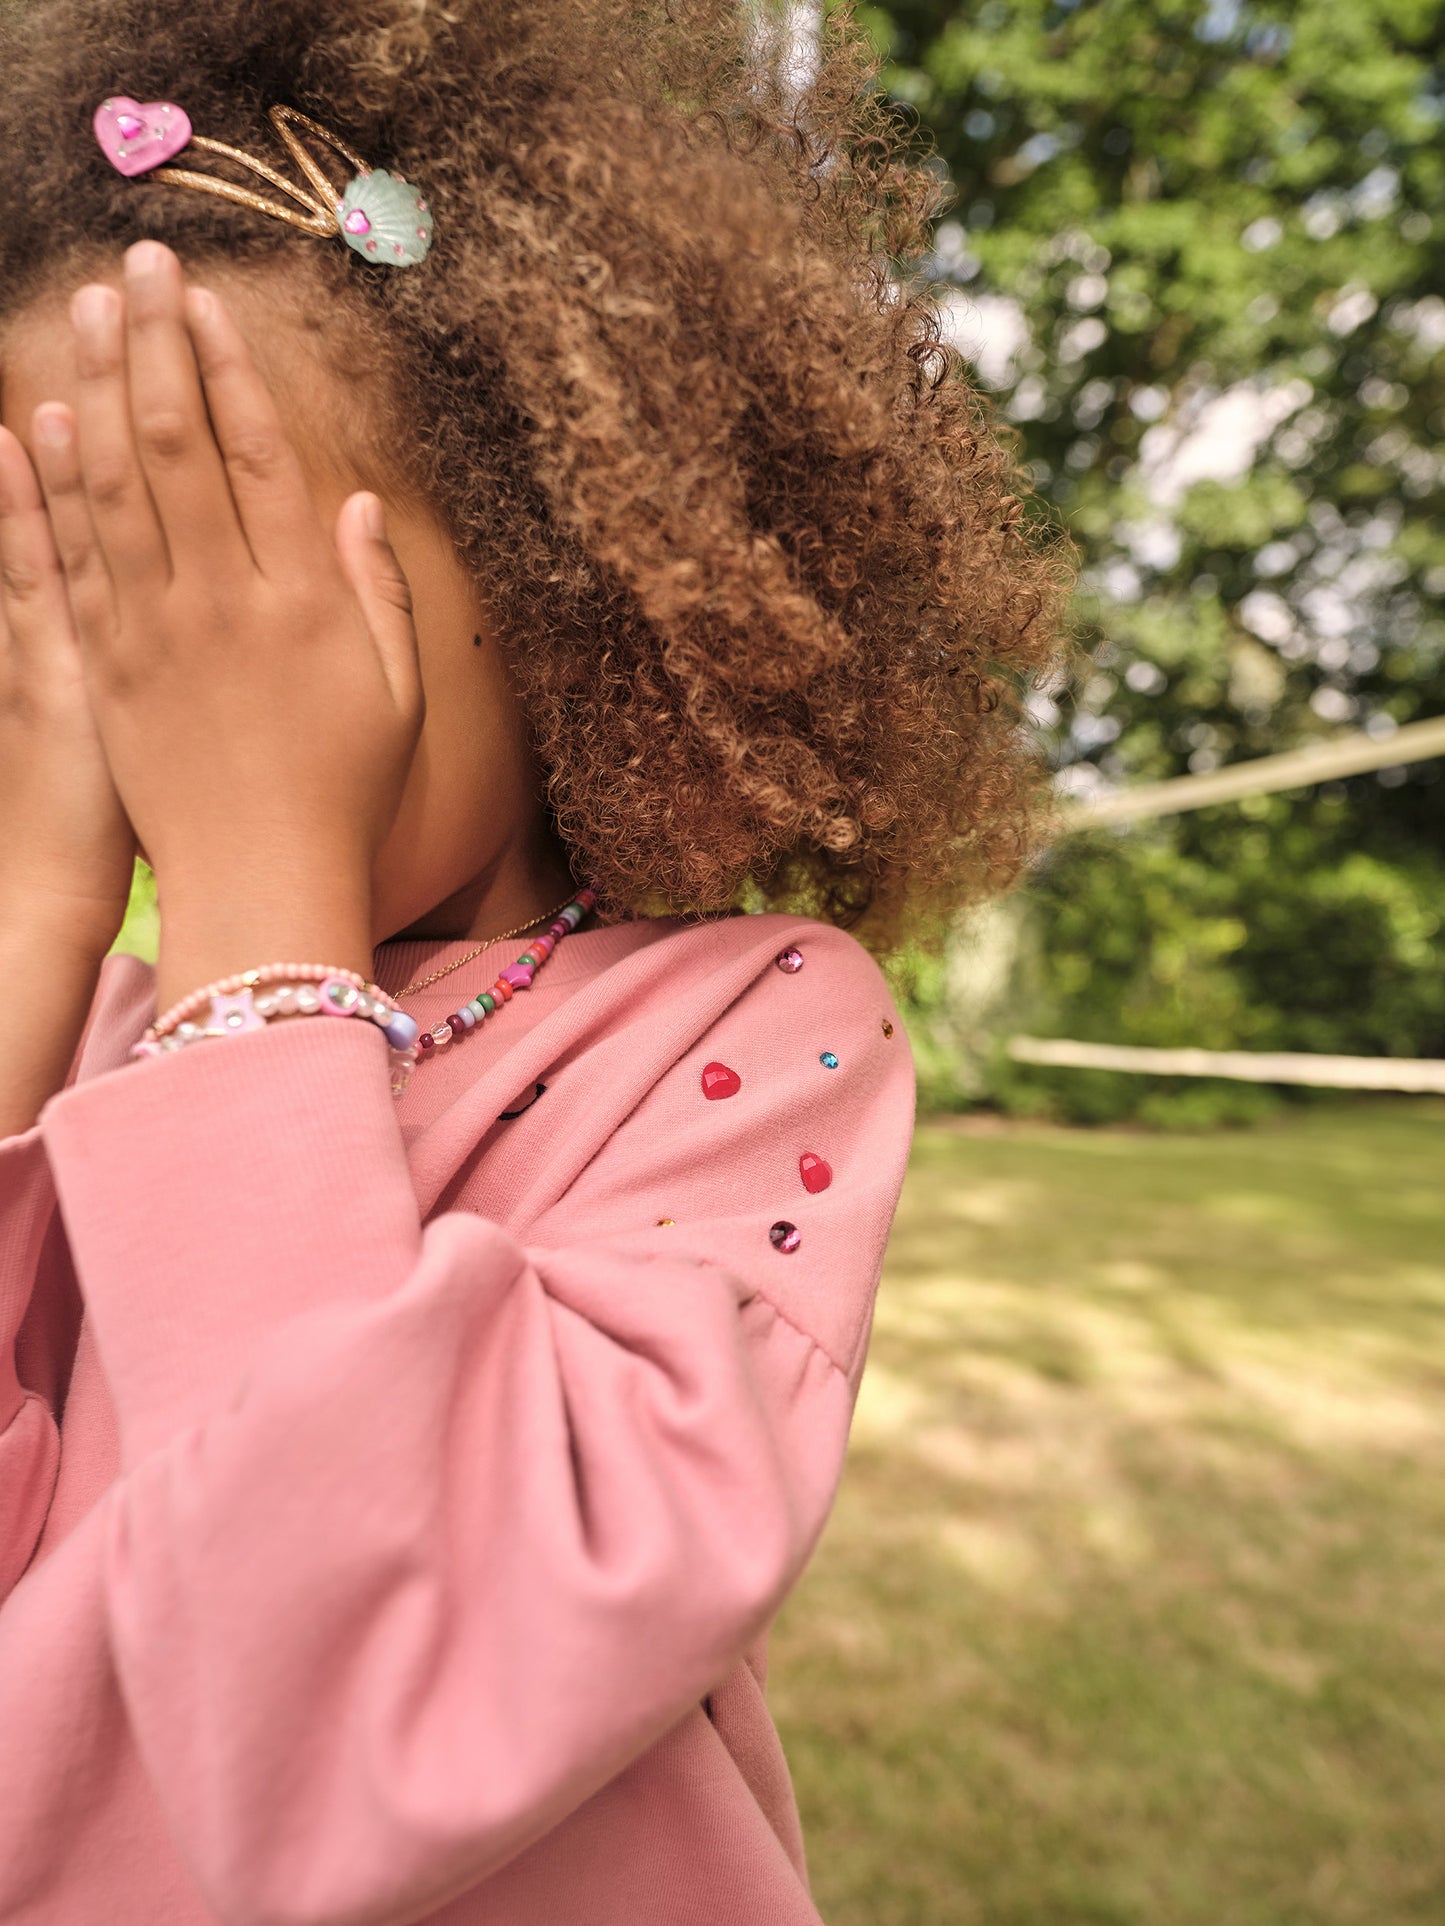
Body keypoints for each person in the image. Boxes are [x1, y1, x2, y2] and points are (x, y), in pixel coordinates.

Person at [0, 0, 1068, 1920]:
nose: (164, 677)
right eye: (76, 583)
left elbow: (368, 1723)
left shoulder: (743, 1033)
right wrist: (25, 942)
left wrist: (258, 890)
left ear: (557, 555)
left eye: (217, 563)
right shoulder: (73, 1052)